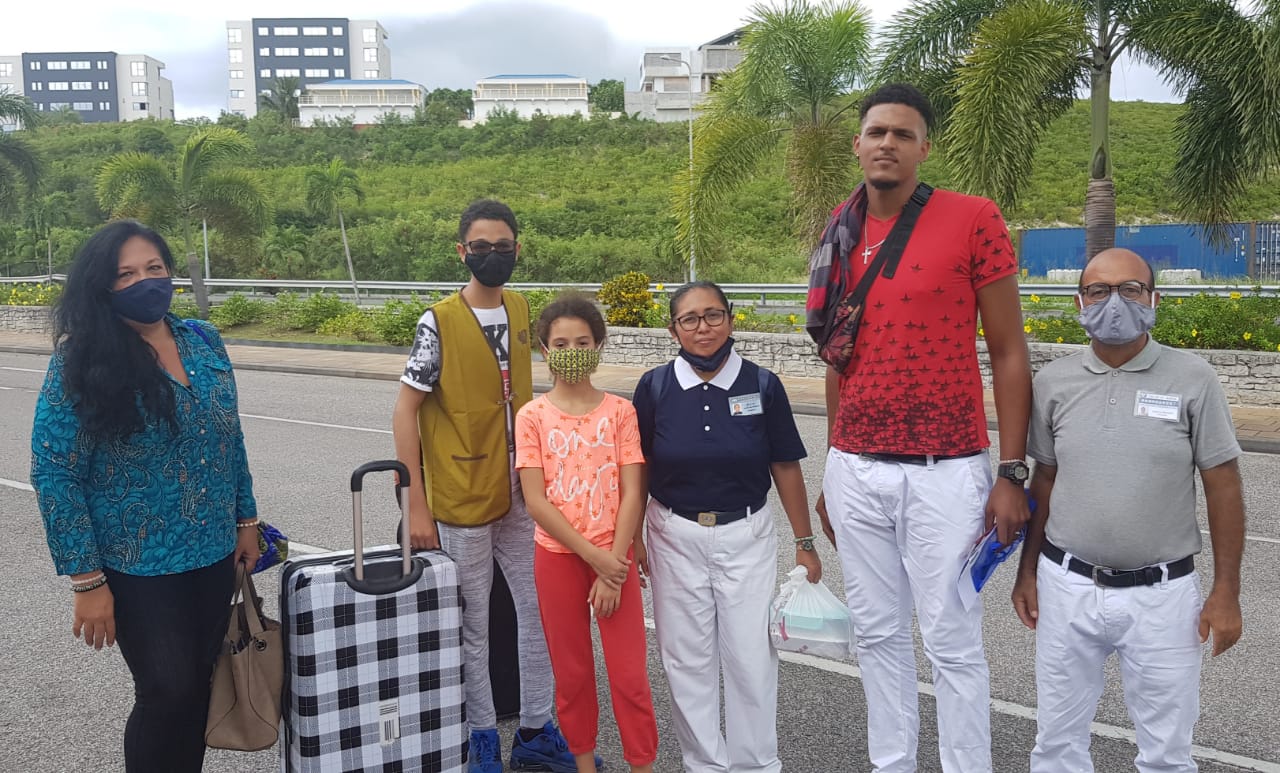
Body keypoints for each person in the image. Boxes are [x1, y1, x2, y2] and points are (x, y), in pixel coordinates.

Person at [806, 83, 1032, 773]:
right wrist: (832, 466)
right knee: (877, 636)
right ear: (858, 144)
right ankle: (893, 762)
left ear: (924, 148)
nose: (888, 143)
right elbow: (838, 355)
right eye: (877, 132)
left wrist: (1011, 471)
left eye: (903, 134)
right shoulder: (840, 230)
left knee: (952, 641)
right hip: (856, 466)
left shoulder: (973, 219)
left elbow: (1009, 351)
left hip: (947, 469)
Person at [30, 220, 262, 773]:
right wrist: (87, 580)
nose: (145, 282)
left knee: (199, 686)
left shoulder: (203, 340)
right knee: (165, 691)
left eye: (154, 268)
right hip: (137, 564)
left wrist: (247, 520)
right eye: (126, 274)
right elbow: (54, 471)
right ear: (102, 286)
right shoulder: (80, 360)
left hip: (211, 552)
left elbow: (228, 436)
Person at [1012, 248, 1245, 772]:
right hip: (1066, 587)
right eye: (1099, 291)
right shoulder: (1053, 382)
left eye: (1130, 289)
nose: (1114, 302)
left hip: (1164, 597)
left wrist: (1226, 590)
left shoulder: (1193, 378)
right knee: (1056, 744)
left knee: (1167, 754)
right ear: (1080, 303)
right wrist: (1027, 573)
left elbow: (1223, 486)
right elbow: (1044, 480)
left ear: (1153, 299)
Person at [392, 199, 589, 773]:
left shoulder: (522, 309)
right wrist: (416, 505)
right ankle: (480, 737)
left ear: (517, 250)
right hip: (462, 494)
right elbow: (405, 412)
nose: (493, 255)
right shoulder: (438, 322)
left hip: (525, 489)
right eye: (481, 247)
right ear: (462, 252)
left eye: (503, 246)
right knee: (472, 623)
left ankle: (534, 729)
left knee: (539, 612)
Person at [633, 280, 822, 773]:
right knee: (686, 661)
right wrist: (632, 537)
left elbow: (785, 464)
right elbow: (638, 466)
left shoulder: (762, 384)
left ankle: (756, 765)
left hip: (747, 535)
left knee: (751, 658)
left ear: (731, 319)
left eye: (713, 314)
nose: (704, 327)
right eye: (690, 318)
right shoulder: (654, 387)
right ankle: (704, 765)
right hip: (673, 535)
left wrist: (805, 542)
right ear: (673, 329)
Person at [515, 294, 659, 773]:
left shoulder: (620, 411)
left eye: (582, 342)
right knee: (572, 674)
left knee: (630, 676)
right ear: (544, 350)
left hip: (615, 558)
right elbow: (536, 501)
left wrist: (612, 564)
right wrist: (596, 560)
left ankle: (642, 763)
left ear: (598, 346)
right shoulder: (532, 416)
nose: (571, 351)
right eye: (560, 344)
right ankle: (583, 765)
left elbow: (633, 490)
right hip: (559, 559)